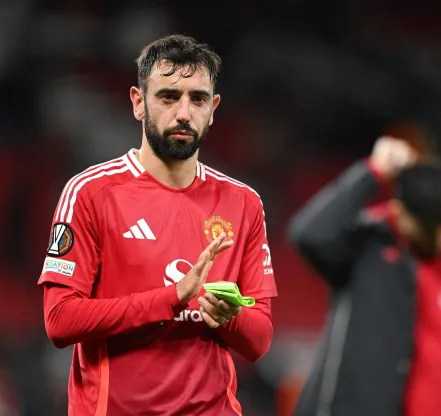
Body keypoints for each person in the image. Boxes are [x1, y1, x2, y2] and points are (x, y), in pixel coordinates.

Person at [38, 34, 277, 416]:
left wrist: (228, 318)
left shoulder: (242, 202)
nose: (184, 112)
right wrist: (172, 298)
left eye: (197, 99)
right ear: (138, 103)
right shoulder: (90, 193)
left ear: (213, 109)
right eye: (168, 96)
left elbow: (260, 339)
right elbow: (60, 321)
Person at [287, 137, 441, 416]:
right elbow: (308, 234)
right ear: (398, 211)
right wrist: (373, 172)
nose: (437, 239)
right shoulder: (368, 248)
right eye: (424, 229)